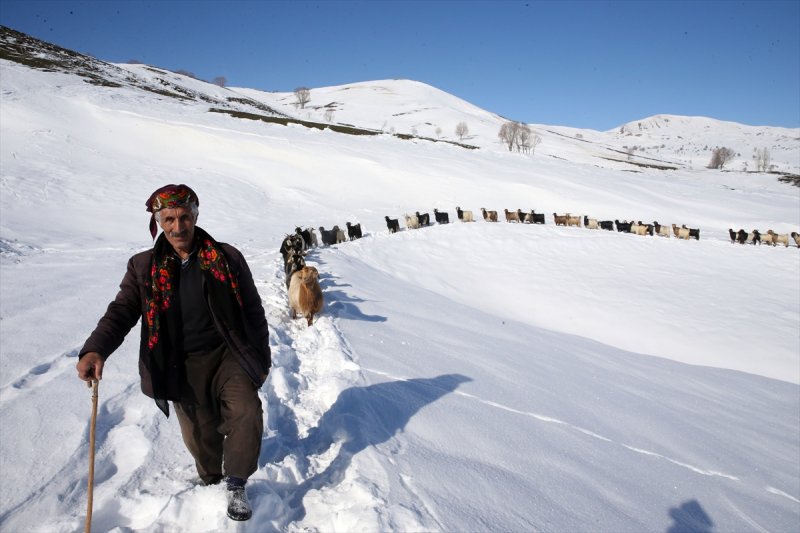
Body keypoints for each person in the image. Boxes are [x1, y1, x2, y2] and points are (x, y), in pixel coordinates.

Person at [76, 184, 270, 521]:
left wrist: (261, 358)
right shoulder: (143, 267)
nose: (178, 227)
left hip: (228, 356)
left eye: (184, 217)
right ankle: (211, 477)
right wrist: (96, 349)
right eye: (169, 219)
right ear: (158, 222)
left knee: (246, 411)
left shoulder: (227, 258)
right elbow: (121, 312)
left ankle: (237, 482)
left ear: (195, 217)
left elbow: (253, 311)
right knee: (200, 433)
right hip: (179, 362)